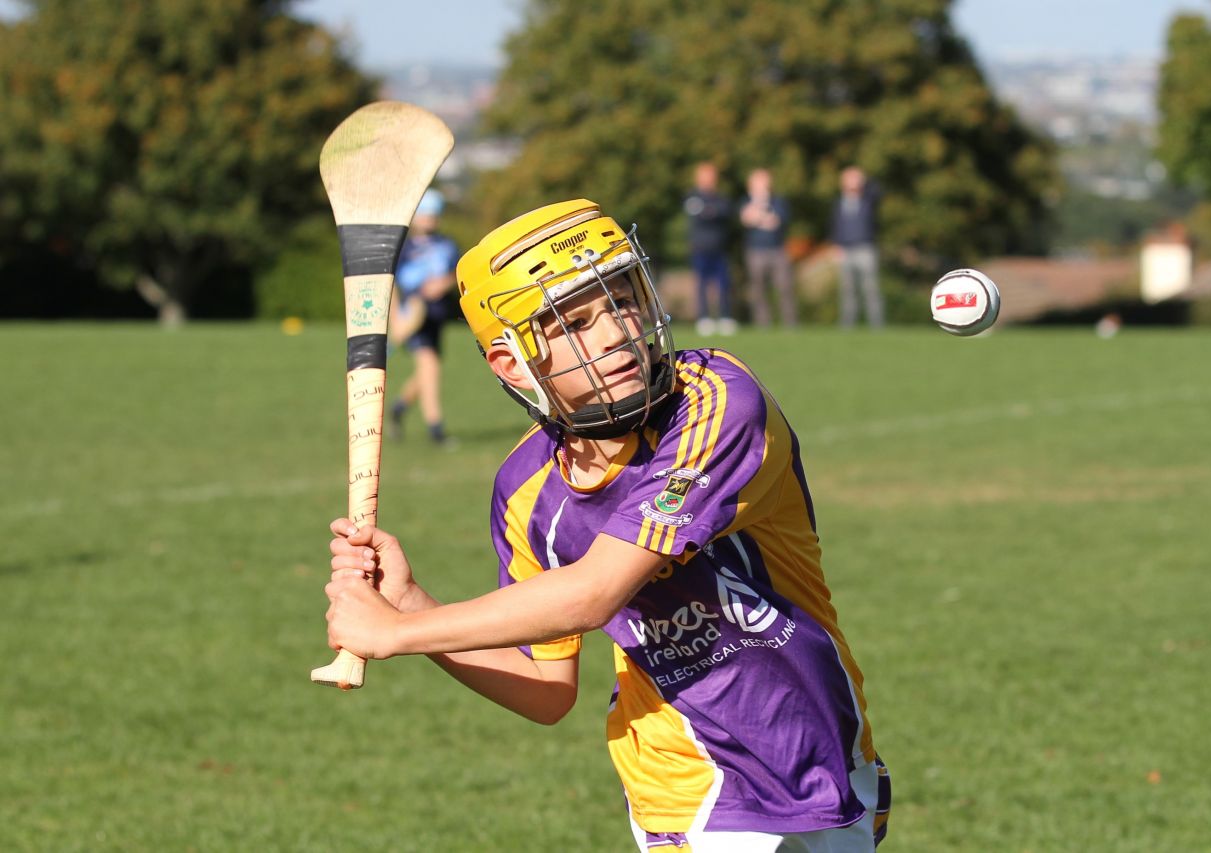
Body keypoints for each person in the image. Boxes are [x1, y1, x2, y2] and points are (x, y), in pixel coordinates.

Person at [323, 199, 891, 851]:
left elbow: (595, 591)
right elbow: (545, 690)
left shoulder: (715, 399)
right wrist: (409, 601)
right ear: (512, 362)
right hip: (685, 790)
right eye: (575, 321)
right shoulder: (525, 491)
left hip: (823, 760)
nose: (615, 332)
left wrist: (397, 630)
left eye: (622, 301)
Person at [388, 189, 460, 446]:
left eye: (432, 215)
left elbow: (458, 273)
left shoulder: (447, 245)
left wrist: (444, 283)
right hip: (414, 317)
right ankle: (436, 428)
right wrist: (395, 318)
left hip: (437, 317)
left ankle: (398, 408)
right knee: (429, 365)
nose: (428, 220)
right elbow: (391, 284)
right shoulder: (403, 248)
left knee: (427, 371)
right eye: (424, 215)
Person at [683, 162, 736, 336]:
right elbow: (696, 212)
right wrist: (710, 212)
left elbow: (725, 211)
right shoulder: (692, 196)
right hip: (700, 248)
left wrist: (709, 211)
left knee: (723, 283)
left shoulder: (721, 197)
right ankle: (704, 318)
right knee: (702, 284)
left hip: (719, 248)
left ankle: (725, 316)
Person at [739, 168, 797, 328]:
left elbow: (775, 222)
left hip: (778, 250)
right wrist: (761, 214)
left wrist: (758, 217)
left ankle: (790, 323)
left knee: (785, 287)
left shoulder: (779, 202)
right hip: (755, 251)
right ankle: (763, 324)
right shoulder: (745, 201)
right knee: (758, 290)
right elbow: (746, 219)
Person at [829, 167, 884, 329]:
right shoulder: (839, 202)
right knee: (847, 291)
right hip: (845, 250)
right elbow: (835, 226)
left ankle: (877, 325)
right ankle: (847, 325)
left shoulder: (868, 199)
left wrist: (863, 181)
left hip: (865, 248)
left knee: (871, 289)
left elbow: (879, 190)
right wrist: (836, 246)